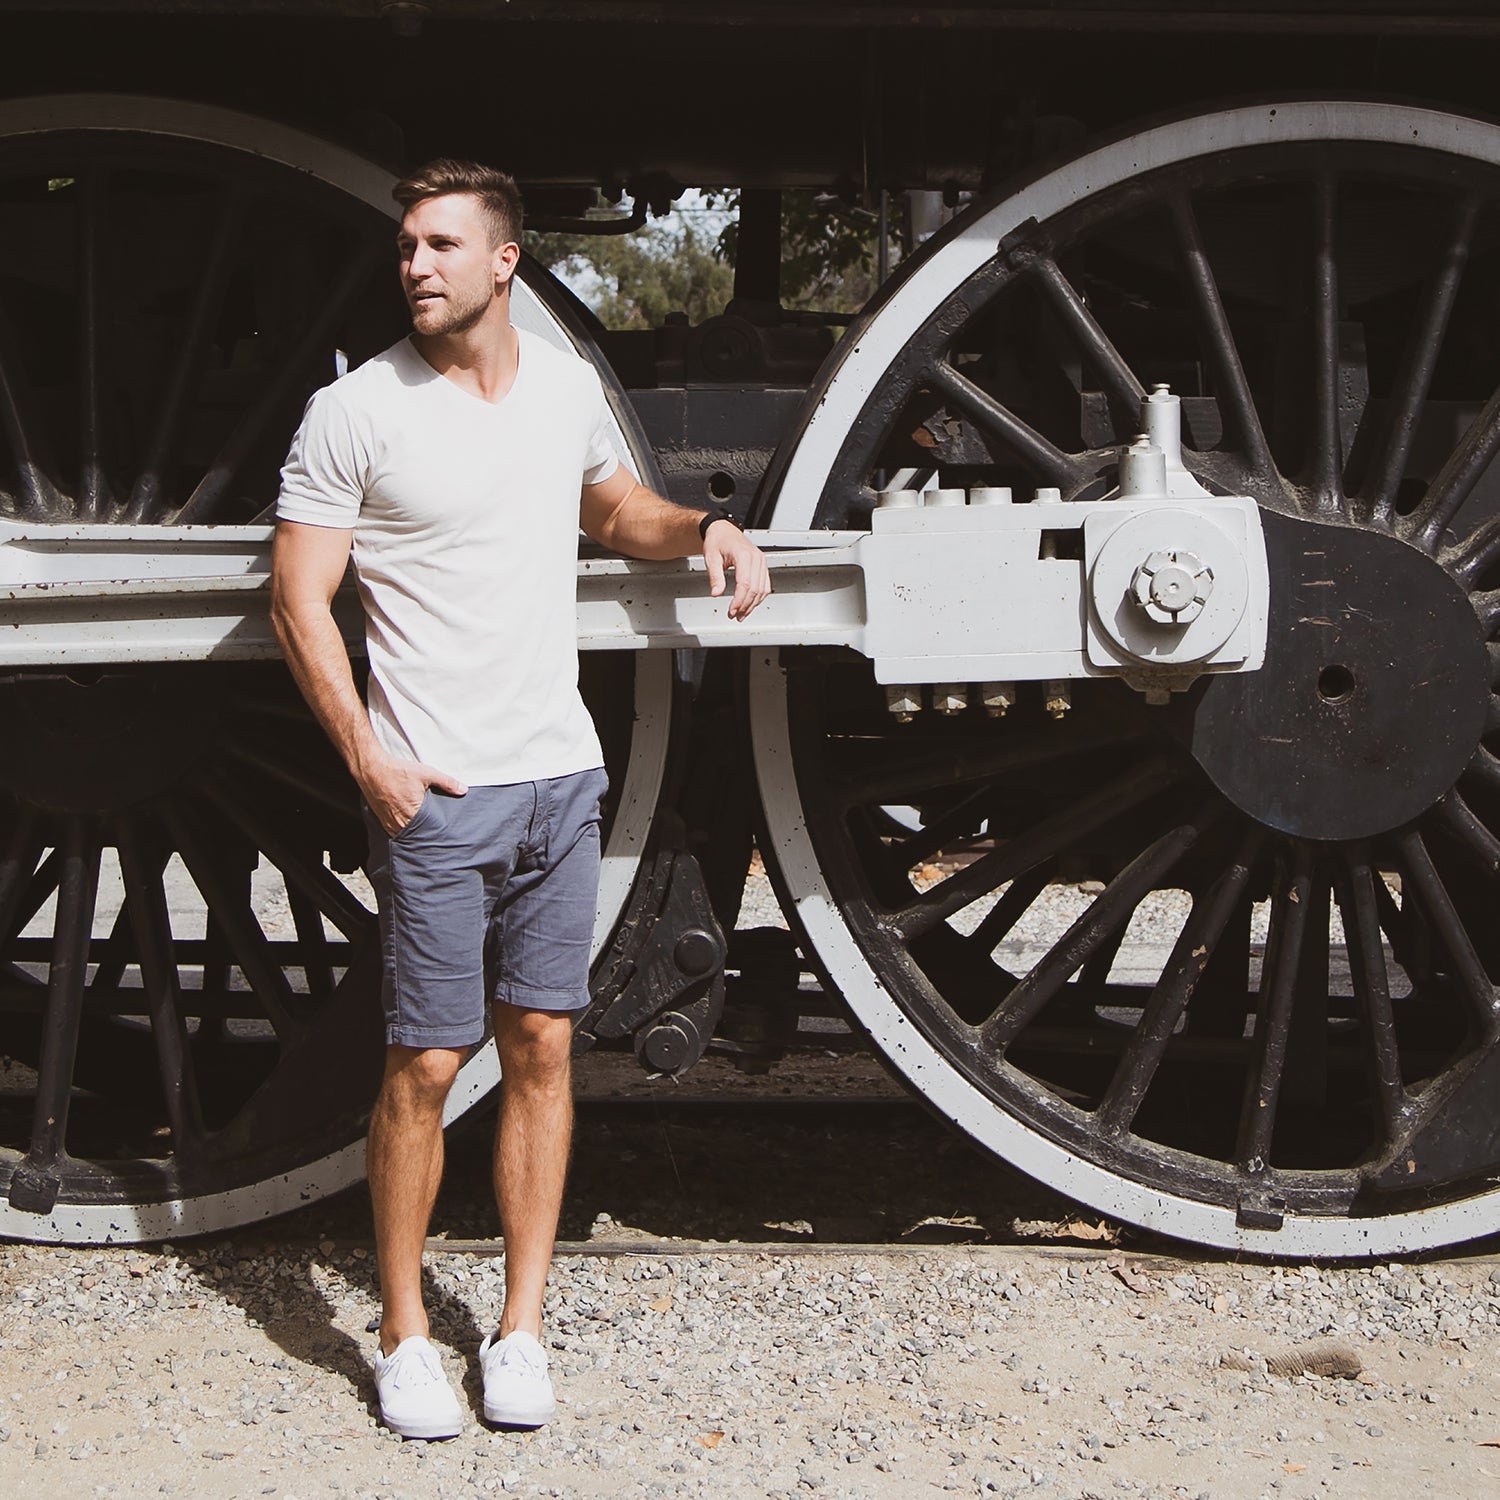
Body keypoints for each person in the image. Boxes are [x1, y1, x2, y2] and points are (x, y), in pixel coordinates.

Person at [269, 158, 770, 1440]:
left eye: (441, 245)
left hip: (558, 778)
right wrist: (370, 760)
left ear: (505, 262)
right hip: (436, 791)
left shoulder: (560, 388)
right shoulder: (358, 412)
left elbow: (612, 507)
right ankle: (401, 1336)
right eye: (406, 248)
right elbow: (297, 600)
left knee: (545, 1047)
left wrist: (702, 529)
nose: (416, 267)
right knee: (427, 1062)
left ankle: (521, 1330)